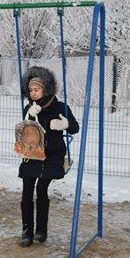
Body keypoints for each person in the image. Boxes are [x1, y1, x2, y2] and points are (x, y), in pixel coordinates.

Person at [18, 66, 79, 247]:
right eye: (31, 90)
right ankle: (26, 231)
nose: (33, 93)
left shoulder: (60, 107)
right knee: (27, 190)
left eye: (37, 90)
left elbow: (75, 128)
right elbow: (25, 129)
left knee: (42, 188)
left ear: (46, 89)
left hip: (53, 155)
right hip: (33, 153)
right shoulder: (29, 107)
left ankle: (41, 231)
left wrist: (64, 124)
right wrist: (30, 114)